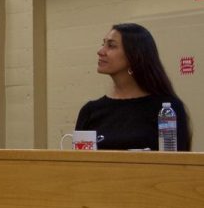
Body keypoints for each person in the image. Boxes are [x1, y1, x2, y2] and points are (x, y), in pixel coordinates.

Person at [75, 23, 191, 151]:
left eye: (111, 46)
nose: (100, 51)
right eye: (103, 44)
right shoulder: (90, 111)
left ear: (134, 55)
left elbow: (178, 164)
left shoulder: (167, 110)